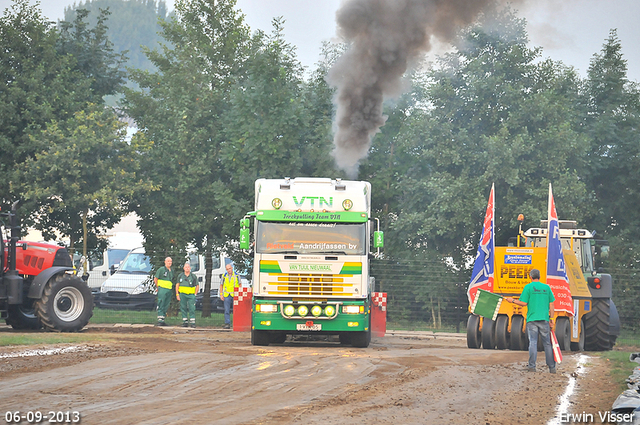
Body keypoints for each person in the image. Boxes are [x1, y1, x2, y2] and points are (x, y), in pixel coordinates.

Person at [506, 269, 556, 373]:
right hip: (544, 319)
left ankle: (532, 366)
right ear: (539, 277)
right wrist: (551, 318)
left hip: (532, 319)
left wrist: (512, 300)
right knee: (547, 343)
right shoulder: (546, 288)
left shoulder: (528, 287)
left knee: (533, 342)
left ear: (530, 277)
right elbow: (551, 304)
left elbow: (524, 303)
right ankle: (552, 367)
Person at [176, 261, 199, 328]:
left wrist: (195, 294)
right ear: (183, 268)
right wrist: (177, 294)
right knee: (183, 307)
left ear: (190, 268)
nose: (187, 268)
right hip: (182, 294)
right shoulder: (180, 276)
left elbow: (197, 285)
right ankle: (185, 322)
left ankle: (192, 322)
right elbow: (177, 285)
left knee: (192, 308)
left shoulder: (193, 276)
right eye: (186, 267)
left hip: (191, 295)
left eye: (188, 267)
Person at [219, 263, 240, 329]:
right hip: (227, 295)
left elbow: (240, 284)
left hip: (235, 294)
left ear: (232, 268)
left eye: (230, 268)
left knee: (236, 310)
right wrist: (221, 294)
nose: (229, 270)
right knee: (227, 310)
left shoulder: (236, 275)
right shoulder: (224, 276)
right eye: (227, 269)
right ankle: (227, 324)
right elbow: (221, 285)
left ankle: (236, 324)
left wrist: (239, 294)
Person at [154, 257, 174, 326]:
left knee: (166, 304)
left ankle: (163, 319)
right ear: (165, 262)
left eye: (170, 261)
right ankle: (159, 319)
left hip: (169, 289)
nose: (169, 263)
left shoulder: (172, 270)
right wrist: (158, 287)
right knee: (161, 303)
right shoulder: (161, 269)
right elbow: (156, 278)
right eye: (168, 261)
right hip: (162, 289)